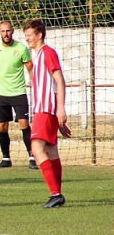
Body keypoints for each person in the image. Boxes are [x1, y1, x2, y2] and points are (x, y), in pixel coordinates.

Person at [23, 19, 71, 208]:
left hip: (45, 109)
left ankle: (55, 193)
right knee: (50, 151)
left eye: (29, 35)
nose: (27, 39)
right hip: (44, 110)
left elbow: (59, 80)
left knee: (36, 149)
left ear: (39, 35)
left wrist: (60, 108)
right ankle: (57, 195)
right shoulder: (37, 56)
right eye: (25, 35)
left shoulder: (47, 53)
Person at [0, 21, 36, 169]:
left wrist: (36, 86)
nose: (6, 34)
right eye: (3, 31)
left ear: (13, 31)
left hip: (18, 92)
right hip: (1, 93)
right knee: (2, 127)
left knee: (24, 123)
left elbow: (30, 68)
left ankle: (32, 157)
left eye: (8, 31)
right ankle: (6, 159)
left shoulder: (21, 48)